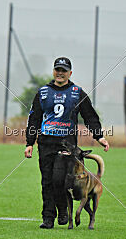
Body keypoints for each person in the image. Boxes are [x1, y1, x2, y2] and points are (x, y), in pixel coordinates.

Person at [24, 57, 109, 229]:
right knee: (47, 181)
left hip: (67, 145)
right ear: (53, 72)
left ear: (70, 73)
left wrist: (99, 136)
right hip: (46, 142)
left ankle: (63, 210)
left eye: (64, 70)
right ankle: (48, 218)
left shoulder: (77, 93)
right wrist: (29, 143)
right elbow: (34, 119)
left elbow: (89, 116)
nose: (60, 73)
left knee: (61, 180)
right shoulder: (43, 92)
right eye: (58, 70)